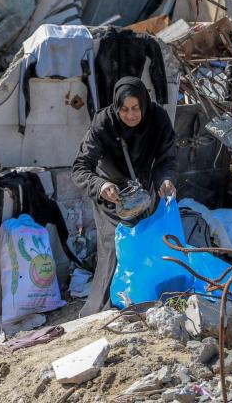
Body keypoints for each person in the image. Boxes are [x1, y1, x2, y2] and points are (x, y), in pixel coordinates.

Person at [72, 76, 177, 315]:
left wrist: (165, 180)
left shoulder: (158, 119)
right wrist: (100, 185)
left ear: (144, 104)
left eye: (135, 108)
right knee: (116, 250)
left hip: (143, 194)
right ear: (116, 107)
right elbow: (80, 168)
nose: (130, 115)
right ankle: (104, 311)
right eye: (124, 109)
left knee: (144, 246)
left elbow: (166, 159)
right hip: (112, 197)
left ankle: (141, 302)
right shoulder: (103, 123)